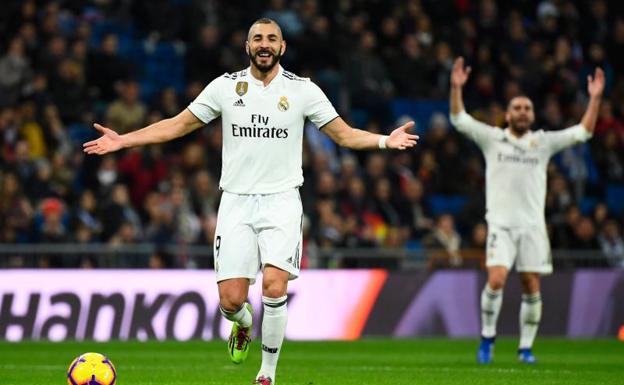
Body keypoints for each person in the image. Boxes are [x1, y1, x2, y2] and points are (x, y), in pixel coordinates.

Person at [84, 18, 418, 385]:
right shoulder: (225, 88)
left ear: (282, 47)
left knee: (274, 286)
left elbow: (344, 135)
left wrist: (386, 141)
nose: (264, 44)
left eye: (271, 39)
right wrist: (124, 141)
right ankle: (242, 325)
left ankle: (267, 375)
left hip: (282, 201)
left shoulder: (303, 90)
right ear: (247, 47)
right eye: (257, 38)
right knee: (231, 300)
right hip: (236, 202)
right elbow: (178, 125)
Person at [449, 57, 604, 364]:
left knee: (531, 284)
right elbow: (459, 120)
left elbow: (583, 132)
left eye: (527, 108)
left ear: (533, 115)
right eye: (517, 108)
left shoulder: (543, 143)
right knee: (496, 279)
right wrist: (456, 88)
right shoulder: (493, 140)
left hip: (533, 227)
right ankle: (487, 339)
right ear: (507, 115)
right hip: (501, 226)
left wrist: (595, 98)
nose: (522, 112)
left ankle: (525, 348)